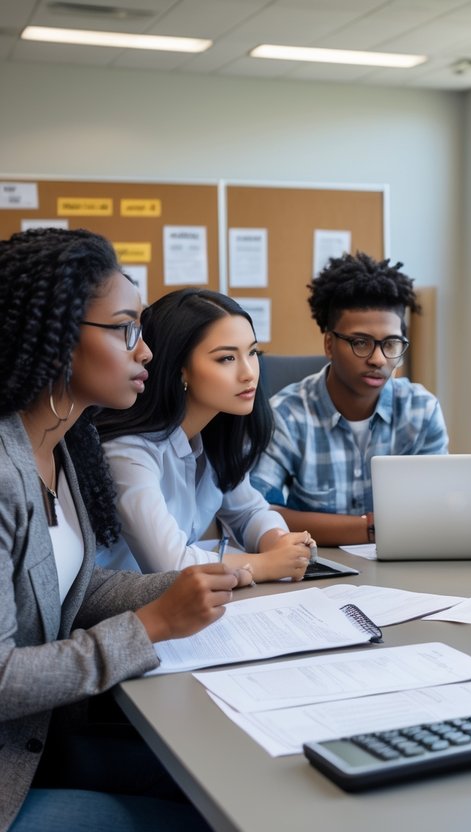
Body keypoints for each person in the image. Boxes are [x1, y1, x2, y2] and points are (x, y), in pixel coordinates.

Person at [0, 228, 236, 830]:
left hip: (40, 744)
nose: (147, 352)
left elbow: (67, 588)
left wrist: (183, 585)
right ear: (55, 336)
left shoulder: (61, 443)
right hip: (9, 778)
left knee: (227, 778)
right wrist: (150, 626)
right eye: (126, 328)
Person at [96, 289, 312, 582]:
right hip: (121, 613)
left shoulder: (214, 434)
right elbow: (171, 564)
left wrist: (276, 540)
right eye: (226, 358)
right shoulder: (128, 450)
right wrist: (266, 565)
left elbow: (249, 512)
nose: (249, 372)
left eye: (252, 353)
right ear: (181, 369)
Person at [251, 252, 448, 546]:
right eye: (360, 342)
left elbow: (439, 510)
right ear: (330, 345)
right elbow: (257, 512)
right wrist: (370, 528)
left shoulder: (421, 410)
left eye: (391, 344)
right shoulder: (286, 414)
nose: (378, 359)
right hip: (316, 573)